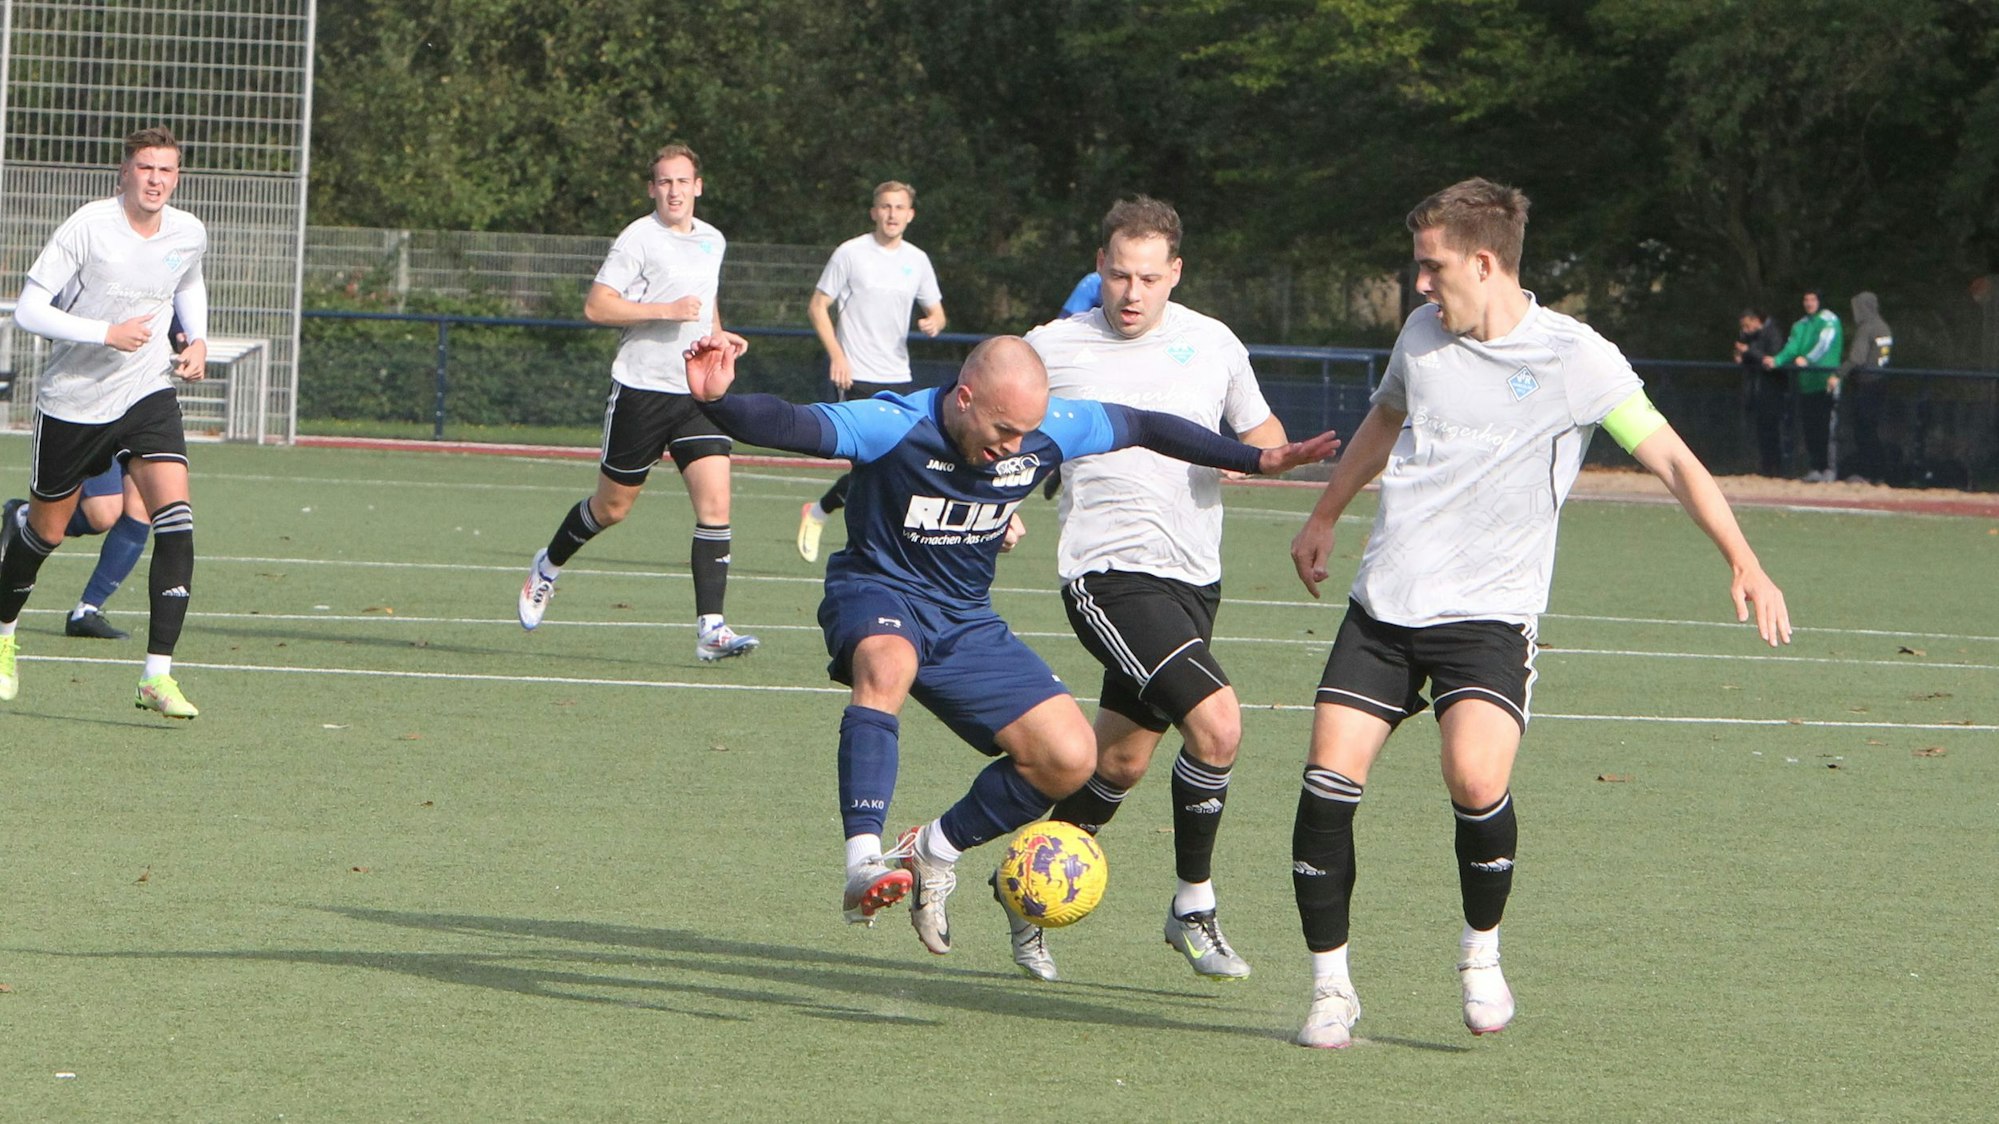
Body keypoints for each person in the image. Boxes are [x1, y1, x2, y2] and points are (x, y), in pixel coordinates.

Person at [1286, 177, 1791, 1049]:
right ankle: (1331, 987)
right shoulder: (1420, 335)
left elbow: (1668, 456)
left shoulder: (1574, 359)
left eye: (1429, 267)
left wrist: (1742, 559)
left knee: (1475, 779)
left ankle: (1479, 953)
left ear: (1483, 263)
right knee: (1327, 782)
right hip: (1385, 607)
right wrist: (1324, 512)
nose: (1417, 285)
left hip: (1487, 616)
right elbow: (1384, 419)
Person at [679, 332, 1338, 962]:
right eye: (1002, 431)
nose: (1015, 447)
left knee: (1070, 758)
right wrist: (716, 402)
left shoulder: (1048, 427)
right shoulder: (894, 422)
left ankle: (933, 848)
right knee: (888, 664)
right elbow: (792, 423)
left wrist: (1256, 457)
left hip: (965, 619)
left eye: (1026, 431)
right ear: (964, 400)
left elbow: (1142, 423)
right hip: (877, 592)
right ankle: (862, 862)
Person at [999, 196, 1288, 983]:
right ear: (1098, 267)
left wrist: (1246, 452)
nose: (1131, 293)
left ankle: (1022, 895)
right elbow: (992, 438)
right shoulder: (1050, 347)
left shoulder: (1212, 342)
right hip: (1106, 575)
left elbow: (1262, 434)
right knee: (1218, 726)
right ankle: (1192, 904)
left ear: (1175, 275)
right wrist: (1001, 506)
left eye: (1149, 278)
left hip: (1194, 577)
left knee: (1118, 764)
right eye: (1119, 275)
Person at [515, 143, 757, 661]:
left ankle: (711, 629)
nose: (674, 191)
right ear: (653, 189)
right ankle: (548, 566)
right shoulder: (637, 238)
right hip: (642, 392)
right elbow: (597, 305)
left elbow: (705, 299)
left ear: (698, 186)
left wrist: (718, 336)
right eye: (664, 182)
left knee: (716, 505)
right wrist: (665, 310)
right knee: (612, 508)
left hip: (696, 394)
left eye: (682, 181)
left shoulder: (713, 240)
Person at [0, 125, 210, 717]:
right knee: (45, 532)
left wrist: (195, 338)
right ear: (125, 172)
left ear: (176, 176)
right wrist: (105, 333)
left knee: (175, 517)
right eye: (146, 168)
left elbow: (187, 279)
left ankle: (156, 675)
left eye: (166, 171)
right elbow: (30, 309)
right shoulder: (88, 227)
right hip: (74, 401)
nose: (156, 180)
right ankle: (4, 634)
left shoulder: (188, 232)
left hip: (146, 391)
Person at [795, 181, 947, 563]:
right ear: (874, 212)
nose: (892, 214)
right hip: (856, 374)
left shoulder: (917, 259)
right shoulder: (851, 253)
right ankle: (861, 541)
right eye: (885, 206)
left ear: (910, 215)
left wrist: (934, 322)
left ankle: (822, 510)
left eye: (899, 207)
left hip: (899, 376)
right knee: (873, 463)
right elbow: (817, 306)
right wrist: (837, 355)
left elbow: (937, 311)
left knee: (897, 463)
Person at [2, 463, 152, 639]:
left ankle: (87, 611)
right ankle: (25, 518)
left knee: (141, 502)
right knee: (102, 513)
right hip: (94, 434)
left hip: (134, 435)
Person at [1765, 290, 1843, 482]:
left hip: (1825, 382)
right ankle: (1816, 467)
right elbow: (1792, 347)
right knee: (1811, 427)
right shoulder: (1800, 325)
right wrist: (1777, 360)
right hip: (1807, 384)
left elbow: (1824, 344)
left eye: (1812, 299)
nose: (1809, 303)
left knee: (1828, 428)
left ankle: (1829, 469)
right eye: (1806, 300)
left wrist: (1808, 360)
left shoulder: (1829, 320)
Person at [1834, 291, 1893, 484]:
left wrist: (1838, 374)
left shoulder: (1867, 328)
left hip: (1866, 385)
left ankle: (1868, 472)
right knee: (1871, 430)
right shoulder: (1884, 327)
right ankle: (1878, 473)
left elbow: (1856, 358)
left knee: (1863, 430)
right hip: (1880, 383)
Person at [1734, 308, 1788, 476]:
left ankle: (1776, 468)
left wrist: (1748, 351)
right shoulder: (1750, 337)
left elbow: (1771, 358)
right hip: (1757, 391)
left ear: (1756, 320)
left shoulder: (1773, 333)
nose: (1746, 330)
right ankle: (1765, 466)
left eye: (1748, 325)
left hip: (1772, 391)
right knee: (1761, 431)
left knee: (1772, 430)